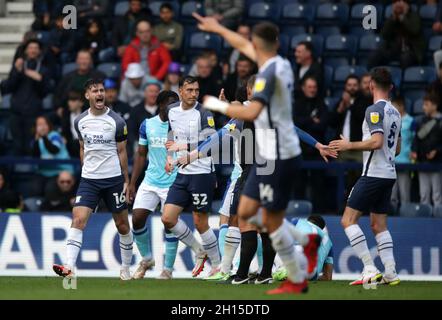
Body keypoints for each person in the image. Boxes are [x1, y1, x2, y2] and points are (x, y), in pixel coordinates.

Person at [193, 15, 321, 294]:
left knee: (259, 217)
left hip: (278, 154)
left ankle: (298, 269)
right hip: (270, 153)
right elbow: (243, 44)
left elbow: (251, 112)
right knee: (250, 213)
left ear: (258, 45)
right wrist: (218, 29)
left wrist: (219, 105)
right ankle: (303, 244)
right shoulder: (281, 63)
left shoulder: (267, 76)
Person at [184, 80, 336, 283]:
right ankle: (264, 273)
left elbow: (220, 135)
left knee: (241, 221)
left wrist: (190, 156)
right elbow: (293, 130)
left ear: (249, 91)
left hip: (250, 173)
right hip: (274, 172)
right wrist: (317, 144)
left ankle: (238, 272)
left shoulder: (246, 111)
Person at [52, 78, 133, 281]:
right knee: (78, 219)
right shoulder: (79, 121)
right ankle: (69, 266)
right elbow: (82, 147)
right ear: (87, 95)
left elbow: (122, 152)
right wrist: (85, 171)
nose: (100, 94)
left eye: (102, 90)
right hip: (89, 180)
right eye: (95, 91)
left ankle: (125, 267)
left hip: (113, 179)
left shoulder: (117, 121)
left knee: (122, 225)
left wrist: (126, 181)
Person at [330, 67, 402, 286]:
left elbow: (377, 141)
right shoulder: (396, 112)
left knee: (348, 220)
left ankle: (369, 268)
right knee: (378, 225)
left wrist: (348, 144)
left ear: (371, 85)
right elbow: (397, 148)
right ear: (390, 87)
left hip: (373, 174)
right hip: (389, 173)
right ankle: (390, 272)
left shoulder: (374, 110)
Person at [161, 76, 221, 278]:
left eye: (196, 90)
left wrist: (185, 147)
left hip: (201, 172)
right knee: (168, 218)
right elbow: (172, 134)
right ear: (180, 91)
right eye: (189, 90)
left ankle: (217, 265)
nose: (194, 94)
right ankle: (199, 250)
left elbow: (212, 139)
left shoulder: (204, 112)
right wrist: (169, 157)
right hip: (182, 172)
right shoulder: (172, 110)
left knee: (200, 222)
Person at [128, 90, 180, 280]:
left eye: (176, 103)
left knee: (170, 224)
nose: (174, 107)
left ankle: (167, 270)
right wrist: (133, 182)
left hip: (173, 182)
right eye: (170, 103)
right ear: (160, 105)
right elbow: (141, 154)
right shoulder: (147, 124)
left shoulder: (180, 126)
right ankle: (147, 259)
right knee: (137, 219)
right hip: (150, 181)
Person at [0, 39, 52, 155]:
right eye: (30, 47)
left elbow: (45, 92)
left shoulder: (44, 69)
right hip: (16, 113)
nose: (33, 50)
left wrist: (38, 79)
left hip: (33, 114)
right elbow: (8, 87)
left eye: (35, 48)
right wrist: (18, 72)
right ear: (26, 51)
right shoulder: (18, 66)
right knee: (16, 146)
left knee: (30, 146)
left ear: (39, 51)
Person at [273, 215, 334, 282]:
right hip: (312, 273)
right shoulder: (329, 243)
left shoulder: (298, 221)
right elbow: (327, 277)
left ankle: (281, 270)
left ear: (307, 220)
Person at [368, 0, 425, 69]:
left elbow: (415, 30)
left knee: (405, 58)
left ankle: (403, 78)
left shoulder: (414, 16)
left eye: (400, 2)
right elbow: (384, 34)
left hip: (411, 51)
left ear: (407, 5)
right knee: (375, 55)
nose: (397, 4)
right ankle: (370, 76)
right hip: (394, 50)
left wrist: (403, 18)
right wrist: (392, 19)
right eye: (395, 2)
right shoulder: (393, 18)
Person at [410, 93, 442, 206]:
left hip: (437, 163)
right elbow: (416, 138)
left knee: (437, 195)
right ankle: (425, 220)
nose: (423, 107)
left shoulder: (440, 121)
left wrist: (437, 151)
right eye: (423, 104)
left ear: (435, 106)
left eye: (426, 104)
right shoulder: (421, 121)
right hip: (422, 162)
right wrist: (414, 150)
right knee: (424, 195)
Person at [54, 50, 105, 114]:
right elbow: (58, 94)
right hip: (70, 111)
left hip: (93, 110)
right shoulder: (67, 77)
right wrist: (59, 107)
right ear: (76, 61)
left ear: (91, 61)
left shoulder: (99, 76)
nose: (83, 62)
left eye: (86, 59)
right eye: (81, 59)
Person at [32, 116, 73, 180]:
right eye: (39, 125)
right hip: (43, 171)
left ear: (49, 125)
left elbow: (54, 150)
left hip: (60, 170)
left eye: (44, 124)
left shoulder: (55, 135)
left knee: (50, 188)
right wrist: (36, 141)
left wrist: (44, 137)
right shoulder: (36, 140)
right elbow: (35, 157)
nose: (42, 127)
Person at [391, 97, 415, 208]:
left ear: (401, 106)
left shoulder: (411, 121)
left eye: (394, 106)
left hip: (405, 160)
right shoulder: (390, 120)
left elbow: (415, 140)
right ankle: (391, 213)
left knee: (404, 192)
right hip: (391, 162)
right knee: (392, 193)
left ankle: (406, 212)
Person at [61, 91, 84, 158]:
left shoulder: (88, 115)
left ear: (81, 103)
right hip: (71, 148)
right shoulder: (65, 115)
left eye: (73, 100)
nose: (69, 103)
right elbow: (64, 132)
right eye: (69, 100)